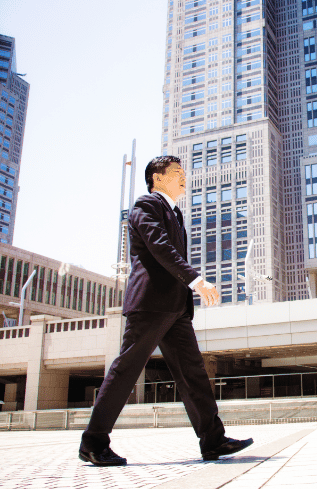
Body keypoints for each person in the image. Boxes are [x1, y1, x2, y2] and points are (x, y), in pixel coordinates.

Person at [78, 156, 253, 467]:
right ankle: (93, 443)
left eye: (184, 173)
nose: (183, 177)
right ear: (157, 178)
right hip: (150, 304)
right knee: (126, 371)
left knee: (194, 373)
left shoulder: (175, 214)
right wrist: (196, 280)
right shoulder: (146, 205)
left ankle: (213, 440)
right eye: (175, 173)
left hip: (175, 309)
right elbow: (160, 247)